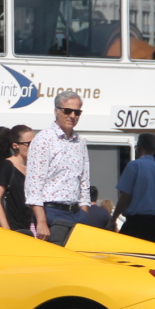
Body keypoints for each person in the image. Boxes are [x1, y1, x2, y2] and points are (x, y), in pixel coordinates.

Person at [25, 91, 91, 239]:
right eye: (67, 111)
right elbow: (34, 184)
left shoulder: (80, 142)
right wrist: (41, 221)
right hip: (52, 212)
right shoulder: (43, 139)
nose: (72, 116)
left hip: (77, 213)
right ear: (56, 111)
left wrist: (84, 212)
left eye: (77, 112)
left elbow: (84, 181)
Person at [108, 133, 155, 244]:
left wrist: (113, 219)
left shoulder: (134, 166)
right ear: (154, 150)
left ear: (139, 148)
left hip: (135, 224)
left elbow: (125, 196)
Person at [0, 125, 35, 232]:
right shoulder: (7, 165)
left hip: (30, 227)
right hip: (13, 228)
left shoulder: (33, 168)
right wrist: (7, 230)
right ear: (15, 146)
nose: (34, 147)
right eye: (29, 144)